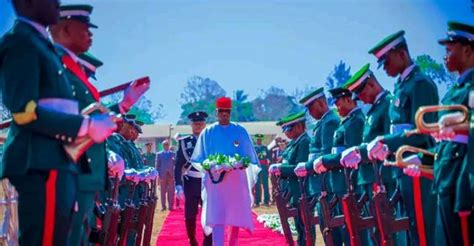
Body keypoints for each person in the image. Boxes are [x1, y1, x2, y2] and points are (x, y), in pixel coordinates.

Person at [0, 1, 117, 244]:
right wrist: (85, 126)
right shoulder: (22, 41)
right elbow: (24, 111)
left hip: (56, 161)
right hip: (41, 162)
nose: (57, 3)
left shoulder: (41, 45)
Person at [366, 30, 439, 245]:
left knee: (422, 232)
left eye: (386, 61)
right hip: (402, 167)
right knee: (407, 231)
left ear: (401, 54)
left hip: (419, 166)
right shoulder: (401, 87)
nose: (385, 68)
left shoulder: (420, 84)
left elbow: (422, 131)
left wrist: (386, 142)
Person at [404, 21, 474, 245]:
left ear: (468, 50)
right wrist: (422, 157)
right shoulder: (455, 91)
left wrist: (464, 124)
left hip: (465, 182)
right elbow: (448, 145)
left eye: (449, 49)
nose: (445, 56)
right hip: (447, 181)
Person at [190, 97, 259, 246]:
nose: (224, 114)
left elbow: (249, 158)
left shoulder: (240, 131)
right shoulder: (208, 132)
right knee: (217, 217)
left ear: (231, 112)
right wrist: (211, 166)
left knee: (235, 217)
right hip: (216, 184)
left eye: (227, 111)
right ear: (216, 112)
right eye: (221, 111)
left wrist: (239, 164)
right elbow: (198, 159)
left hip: (235, 183)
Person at [313, 87, 365, 245]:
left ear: (349, 100)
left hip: (349, 183)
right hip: (339, 183)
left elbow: (350, 154)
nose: (336, 108)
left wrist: (326, 160)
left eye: (338, 103)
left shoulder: (356, 121)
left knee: (351, 232)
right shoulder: (347, 122)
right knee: (342, 230)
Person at [292, 87, 340, 242]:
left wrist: (307, 166)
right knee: (326, 228)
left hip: (325, 183)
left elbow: (325, 153)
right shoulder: (322, 123)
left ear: (320, 103)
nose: (310, 113)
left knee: (331, 230)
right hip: (318, 183)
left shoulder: (330, 121)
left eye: (310, 108)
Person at [268, 111, 313, 246]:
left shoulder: (304, 142)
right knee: (299, 227)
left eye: (289, 129)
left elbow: (300, 166)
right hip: (293, 191)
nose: (286, 133)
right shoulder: (295, 142)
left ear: (299, 126)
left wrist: (281, 169)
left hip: (302, 190)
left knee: (305, 228)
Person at [175, 111, 212, 246]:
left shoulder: (211, 141)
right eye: (196, 124)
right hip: (191, 182)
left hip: (208, 182)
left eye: (201, 123)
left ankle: (208, 240)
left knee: (208, 213)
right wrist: (178, 185)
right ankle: (192, 239)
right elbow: (178, 165)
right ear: (191, 125)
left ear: (204, 125)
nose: (198, 126)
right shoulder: (185, 142)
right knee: (190, 214)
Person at [156, 139, 176, 211]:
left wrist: (174, 174)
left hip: (171, 175)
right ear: (162, 146)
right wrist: (159, 175)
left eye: (167, 144)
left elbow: (175, 164)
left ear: (169, 145)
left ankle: (170, 206)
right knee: (162, 192)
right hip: (163, 176)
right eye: (164, 144)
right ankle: (163, 206)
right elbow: (157, 166)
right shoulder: (159, 154)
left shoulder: (173, 154)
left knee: (171, 192)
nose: (166, 146)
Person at [254, 133, 270, 207]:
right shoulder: (254, 148)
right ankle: (257, 201)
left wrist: (269, 164)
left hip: (264, 167)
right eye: (258, 139)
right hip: (257, 168)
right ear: (256, 140)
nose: (259, 141)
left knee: (265, 184)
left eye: (260, 139)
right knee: (257, 185)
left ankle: (266, 200)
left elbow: (269, 157)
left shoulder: (265, 148)